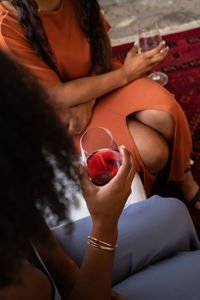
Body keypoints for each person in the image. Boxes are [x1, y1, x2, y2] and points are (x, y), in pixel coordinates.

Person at [1, 49, 200, 300]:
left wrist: (69, 273)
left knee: (174, 213)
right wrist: (104, 226)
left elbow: (27, 221)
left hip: (56, 270)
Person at [0, 0, 199, 209]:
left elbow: (101, 44)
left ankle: (183, 174)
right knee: (154, 152)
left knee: (165, 114)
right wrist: (126, 74)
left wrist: (89, 100)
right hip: (64, 113)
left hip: (100, 77)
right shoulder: (6, 26)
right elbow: (55, 95)